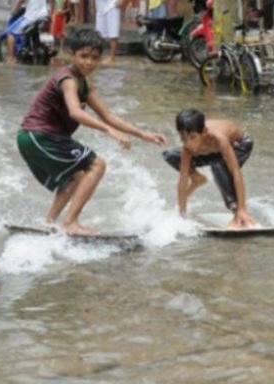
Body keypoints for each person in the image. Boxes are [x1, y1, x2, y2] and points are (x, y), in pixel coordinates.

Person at [16, 28, 166, 235]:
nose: (88, 62)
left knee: (75, 179)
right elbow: (76, 112)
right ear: (72, 54)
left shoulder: (86, 84)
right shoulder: (67, 78)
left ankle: (48, 224)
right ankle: (70, 222)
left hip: (36, 137)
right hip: (39, 134)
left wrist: (143, 134)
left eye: (94, 58)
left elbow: (108, 115)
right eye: (83, 56)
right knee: (97, 164)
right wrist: (109, 131)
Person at [162, 109, 258, 229]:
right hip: (213, 152)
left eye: (193, 137)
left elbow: (235, 172)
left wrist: (242, 208)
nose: (188, 144)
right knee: (170, 155)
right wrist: (182, 213)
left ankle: (238, 212)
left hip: (240, 145)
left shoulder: (219, 138)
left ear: (204, 132)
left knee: (219, 166)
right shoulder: (187, 148)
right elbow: (183, 180)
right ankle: (197, 179)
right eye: (183, 139)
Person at [7, 0, 50, 65]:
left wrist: (14, 10)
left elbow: (20, 1)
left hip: (31, 17)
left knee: (10, 33)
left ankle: (11, 58)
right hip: (44, 16)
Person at [95, 0, 120, 65]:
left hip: (112, 4)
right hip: (100, 5)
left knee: (113, 32)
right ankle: (99, 55)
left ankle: (112, 58)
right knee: (99, 33)